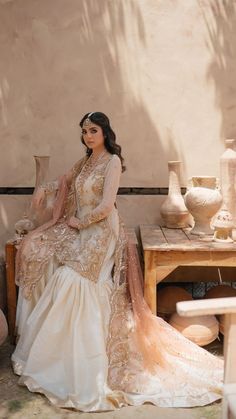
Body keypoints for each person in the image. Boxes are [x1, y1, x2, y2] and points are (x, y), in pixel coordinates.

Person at [12, 112, 223, 412]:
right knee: (61, 274)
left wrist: (79, 222)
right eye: (84, 131)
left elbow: (106, 205)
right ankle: (63, 358)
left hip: (100, 231)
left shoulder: (112, 162)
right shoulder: (85, 161)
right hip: (81, 230)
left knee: (77, 281)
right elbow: (64, 181)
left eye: (93, 130)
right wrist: (44, 189)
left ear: (105, 132)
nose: (88, 136)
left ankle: (94, 361)